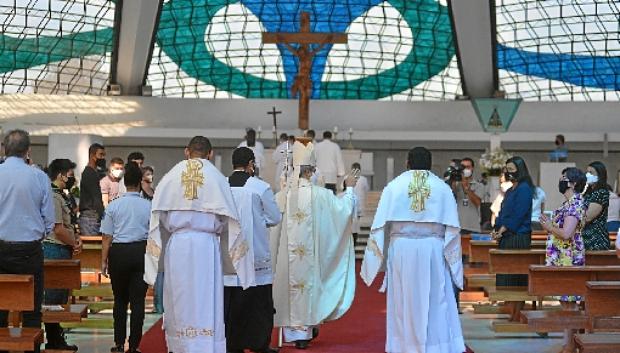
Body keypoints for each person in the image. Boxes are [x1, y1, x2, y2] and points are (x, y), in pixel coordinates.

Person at [144, 136, 254, 353]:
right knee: (206, 298)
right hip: (206, 246)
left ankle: (182, 346)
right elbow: (231, 220)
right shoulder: (216, 177)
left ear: (187, 151)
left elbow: (157, 219)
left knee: (180, 296)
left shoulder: (171, 177)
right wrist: (243, 265)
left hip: (178, 246)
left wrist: (153, 262)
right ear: (210, 154)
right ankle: (205, 346)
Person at [361, 147, 465, 353]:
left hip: (402, 250)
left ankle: (404, 347)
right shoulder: (442, 188)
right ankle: (436, 347)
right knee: (436, 299)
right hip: (433, 250)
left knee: (403, 301)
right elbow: (453, 231)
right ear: (430, 163)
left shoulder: (395, 186)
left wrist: (372, 263)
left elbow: (379, 227)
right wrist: (456, 267)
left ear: (407, 163)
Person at [271, 137, 356, 349]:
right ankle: (304, 333)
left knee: (289, 284)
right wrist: (350, 188)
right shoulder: (321, 195)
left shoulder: (282, 196)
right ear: (310, 171)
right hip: (309, 261)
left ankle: (293, 333)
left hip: (285, 264)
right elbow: (343, 212)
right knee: (306, 284)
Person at [0, 130, 54, 353]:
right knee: (32, 308)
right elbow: (49, 219)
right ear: (28, 151)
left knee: (0, 306)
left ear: (4, 149)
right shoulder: (39, 176)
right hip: (29, 249)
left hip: (0, 247)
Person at [225, 147, 281, 353]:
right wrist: (258, 221)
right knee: (258, 303)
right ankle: (259, 344)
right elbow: (275, 217)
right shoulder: (260, 187)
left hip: (227, 254)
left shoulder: (221, 185)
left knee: (231, 302)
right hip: (254, 253)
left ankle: (232, 345)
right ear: (251, 164)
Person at [101, 163, 151, 353]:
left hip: (119, 253)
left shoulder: (113, 206)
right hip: (141, 252)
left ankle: (119, 343)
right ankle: (135, 345)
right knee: (138, 301)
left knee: (120, 300)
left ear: (123, 182)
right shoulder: (149, 206)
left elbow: (107, 237)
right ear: (139, 182)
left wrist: (103, 261)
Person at [539, 167, 586, 353]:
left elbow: (567, 233)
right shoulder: (568, 203)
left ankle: (570, 345)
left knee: (570, 303)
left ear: (573, 183)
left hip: (569, 259)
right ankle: (568, 344)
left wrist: (550, 227)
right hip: (562, 257)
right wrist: (548, 226)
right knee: (566, 302)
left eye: (564, 178)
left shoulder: (575, 204)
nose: (561, 180)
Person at [44, 159, 82, 351]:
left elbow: (68, 225)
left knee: (59, 297)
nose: (71, 178)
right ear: (60, 175)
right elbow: (58, 229)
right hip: (55, 249)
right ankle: (53, 340)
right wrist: (73, 242)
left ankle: (56, 338)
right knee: (52, 299)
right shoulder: (52, 196)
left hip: (63, 248)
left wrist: (76, 239)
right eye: (69, 174)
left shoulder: (61, 195)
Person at [491, 156, 534, 322]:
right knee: (506, 277)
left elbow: (518, 215)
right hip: (506, 236)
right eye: (506, 169)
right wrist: (497, 230)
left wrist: (502, 230)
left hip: (518, 237)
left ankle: (517, 314)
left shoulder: (524, 189)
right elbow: (502, 213)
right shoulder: (510, 190)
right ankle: (512, 312)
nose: (508, 172)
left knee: (517, 277)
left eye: (512, 169)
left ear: (520, 170)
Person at [451, 157, 484, 234]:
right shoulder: (456, 185)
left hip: (473, 227)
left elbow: (477, 202)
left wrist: (466, 188)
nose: (465, 169)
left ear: (472, 168)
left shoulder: (479, 185)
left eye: (468, 167)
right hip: (457, 226)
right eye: (463, 167)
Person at [582, 161, 611, 250]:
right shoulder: (588, 192)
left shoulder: (601, 192)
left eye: (591, 172)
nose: (587, 175)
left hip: (595, 239)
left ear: (599, 176)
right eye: (587, 172)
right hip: (584, 237)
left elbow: (588, 217)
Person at [79, 143, 106, 235]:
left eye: (104, 155)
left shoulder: (94, 172)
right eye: (100, 155)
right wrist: (104, 216)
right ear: (92, 156)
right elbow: (96, 197)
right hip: (90, 217)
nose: (102, 158)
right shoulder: (89, 173)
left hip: (92, 216)